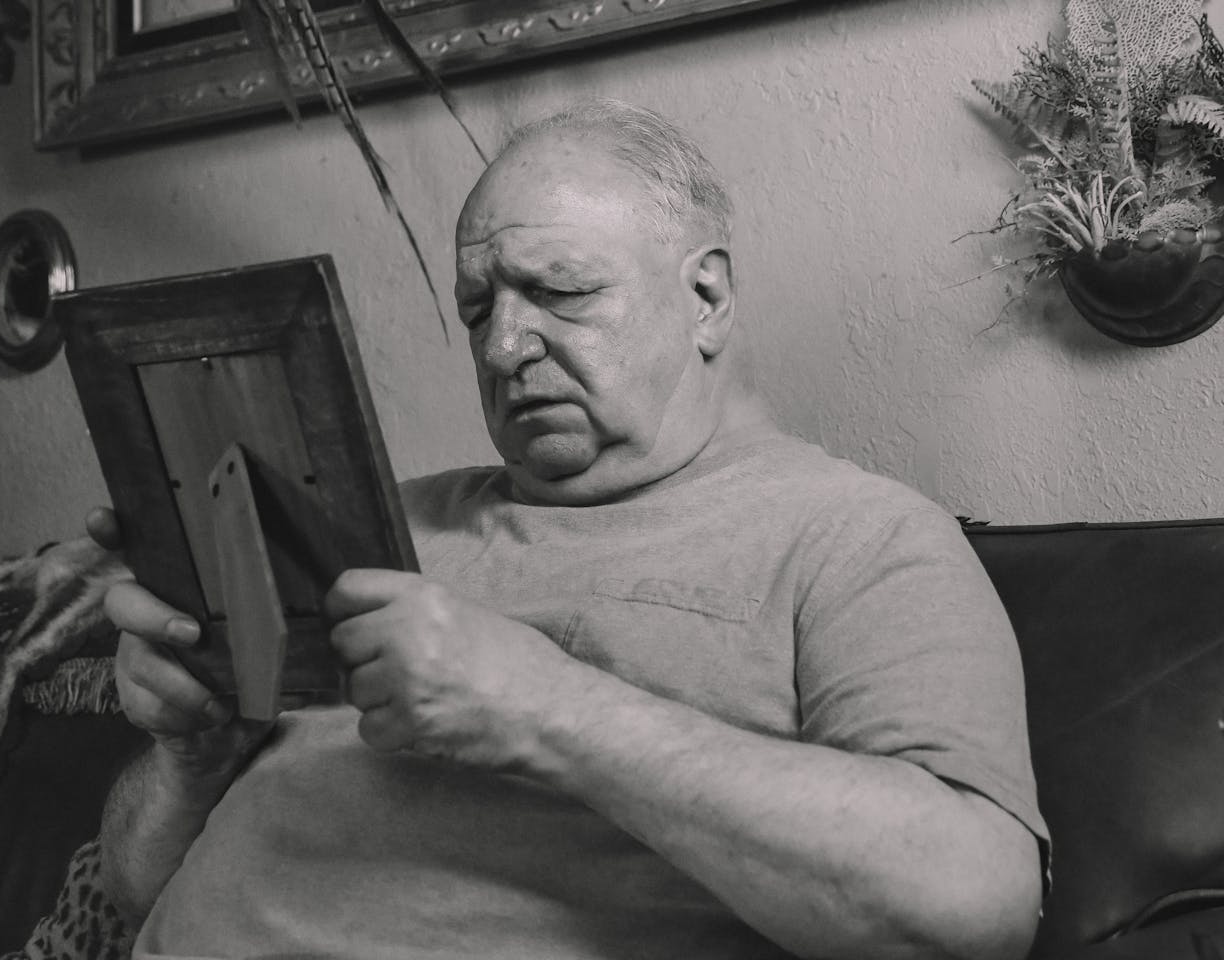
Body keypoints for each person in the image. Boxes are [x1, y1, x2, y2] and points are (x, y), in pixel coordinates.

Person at [95, 99, 1048, 959]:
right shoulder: (363, 522)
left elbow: (973, 905)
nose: (504, 347)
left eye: (559, 292)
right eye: (479, 310)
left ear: (706, 297)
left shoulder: (858, 538)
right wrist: (195, 748)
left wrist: (543, 707)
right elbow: (141, 894)